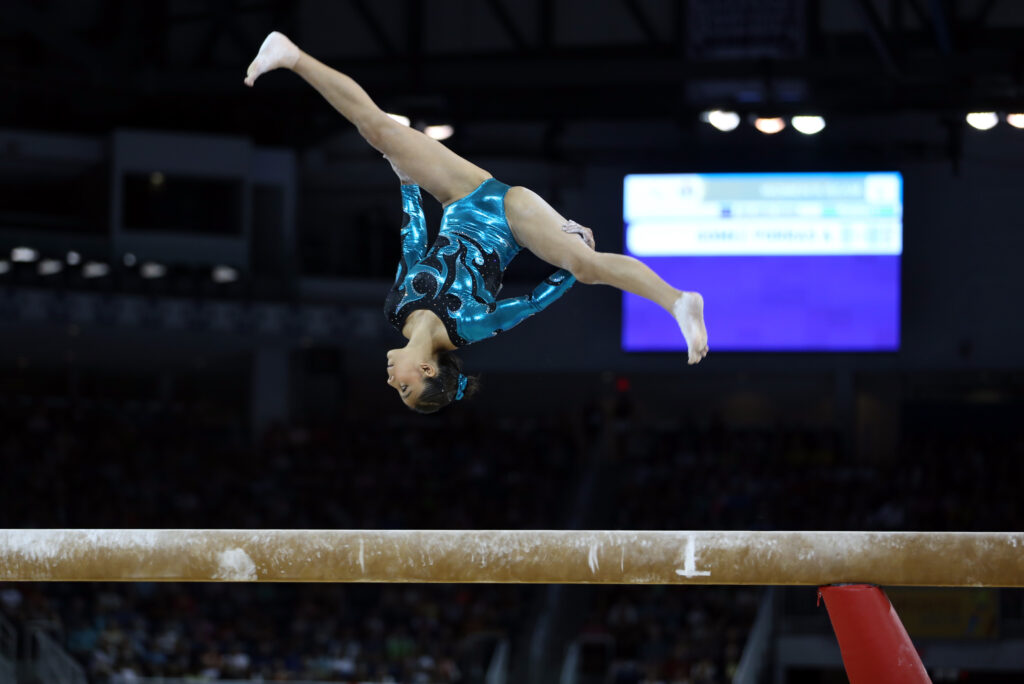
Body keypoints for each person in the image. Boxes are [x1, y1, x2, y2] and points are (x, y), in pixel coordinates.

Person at [245, 32, 709, 413]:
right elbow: (530, 302)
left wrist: (407, 184)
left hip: (460, 195)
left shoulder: (395, 313)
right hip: (511, 219)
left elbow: (413, 250)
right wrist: (571, 262)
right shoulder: (468, 327)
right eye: (404, 389)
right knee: (588, 269)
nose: (392, 383)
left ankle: (291, 55)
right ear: (427, 371)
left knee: (379, 132)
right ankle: (678, 301)